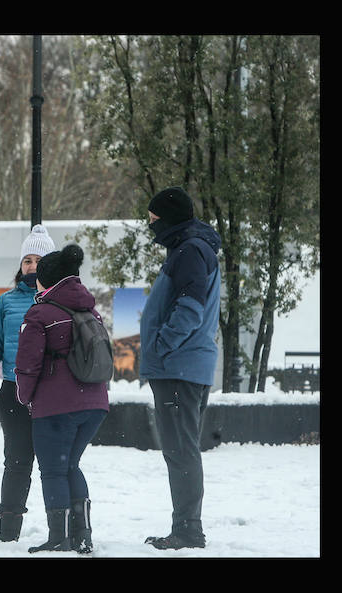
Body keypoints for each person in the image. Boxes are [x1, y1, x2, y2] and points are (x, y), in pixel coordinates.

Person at [139, 186, 221, 550]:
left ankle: (188, 529)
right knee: (180, 449)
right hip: (183, 366)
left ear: (169, 218)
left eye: (154, 219)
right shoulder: (189, 248)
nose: (150, 225)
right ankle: (186, 526)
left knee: (180, 450)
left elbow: (189, 309)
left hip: (178, 367)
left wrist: (161, 345)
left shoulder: (188, 251)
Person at [14, 244, 110, 553]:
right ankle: (82, 535)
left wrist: (25, 398)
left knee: (54, 469)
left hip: (56, 407)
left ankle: (59, 537)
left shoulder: (39, 313)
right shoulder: (91, 310)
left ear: (45, 280)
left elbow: (28, 365)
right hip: (95, 404)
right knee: (70, 465)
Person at [0, 224, 55, 542]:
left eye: (38, 260)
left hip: (52, 392)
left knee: (54, 464)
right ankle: (9, 532)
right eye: (27, 260)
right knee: (17, 461)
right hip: (14, 391)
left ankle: (59, 529)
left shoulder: (61, 302)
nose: (32, 266)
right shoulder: (7, 302)